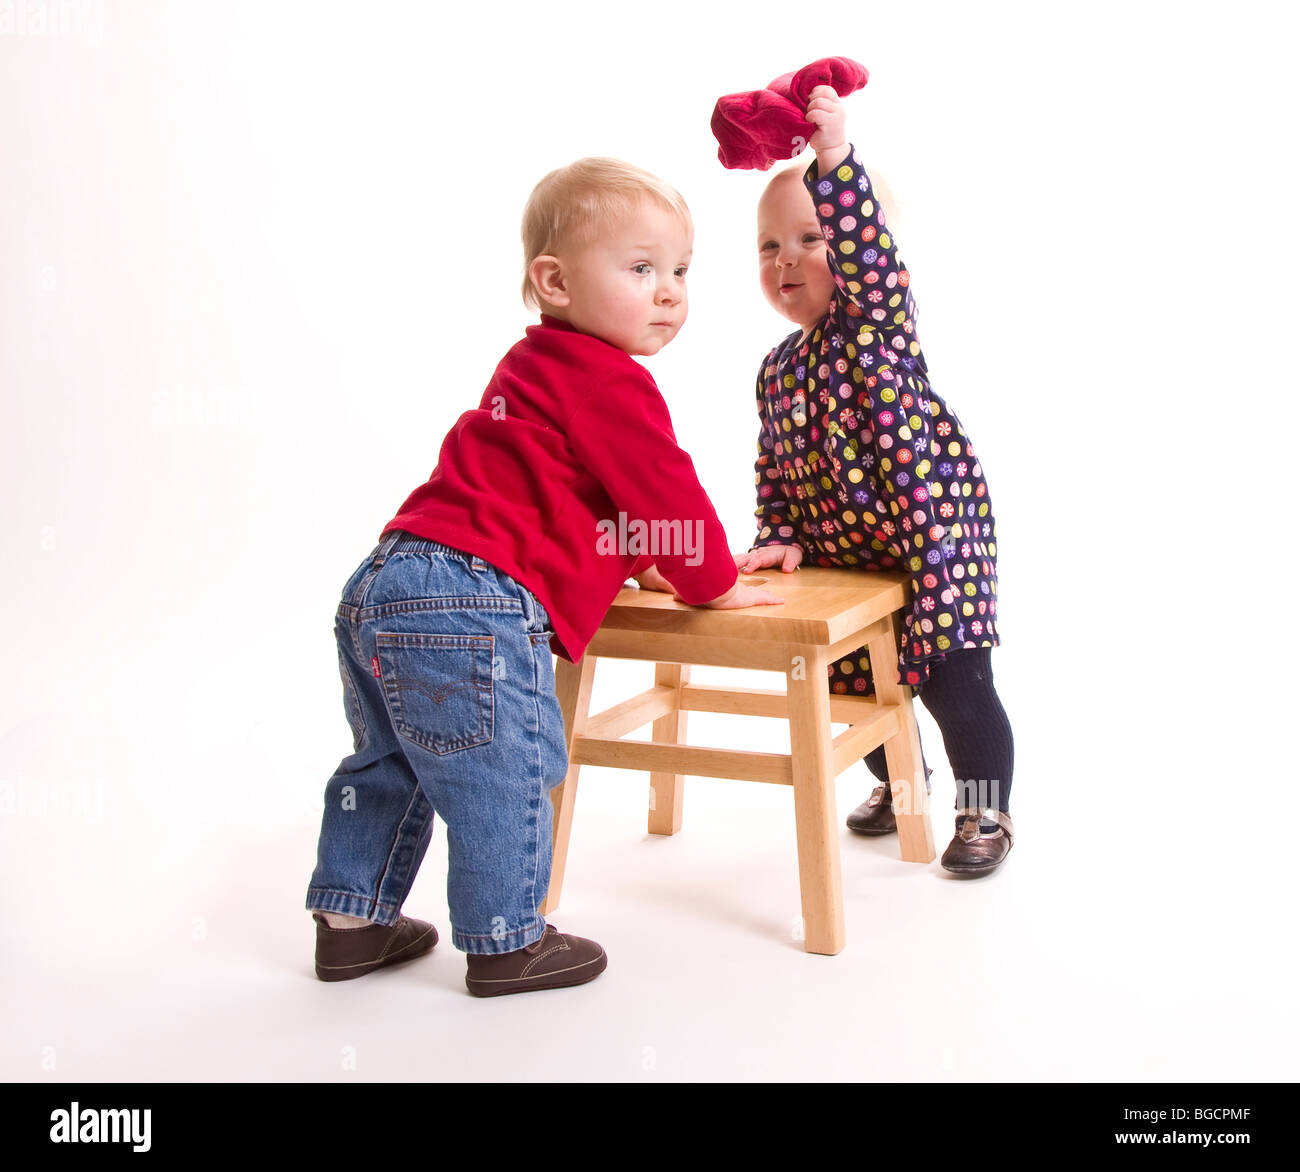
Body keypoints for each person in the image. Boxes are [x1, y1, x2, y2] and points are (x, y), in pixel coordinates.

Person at [305, 156, 782, 996]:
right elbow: (660, 484)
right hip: (472, 600)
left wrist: (642, 561)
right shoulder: (611, 380)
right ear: (554, 281)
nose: (669, 291)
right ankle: (505, 942)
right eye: (641, 270)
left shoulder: (528, 370)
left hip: (385, 581)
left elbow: (565, 498)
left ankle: (352, 921)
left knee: (391, 762)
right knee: (505, 768)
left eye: (680, 270)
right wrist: (710, 579)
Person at [735, 86, 1016, 875]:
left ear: (860, 247)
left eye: (811, 238)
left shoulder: (878, 325)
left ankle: (984, 806)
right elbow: (775, 470)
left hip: (935, 541)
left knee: (956, 683)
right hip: (846, 559)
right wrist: (777, 534)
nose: (786, 258)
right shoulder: (778, 371)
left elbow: (864, 250)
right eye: (767, 246)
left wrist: (831, 160)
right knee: (855, 682)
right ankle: (901, 786)